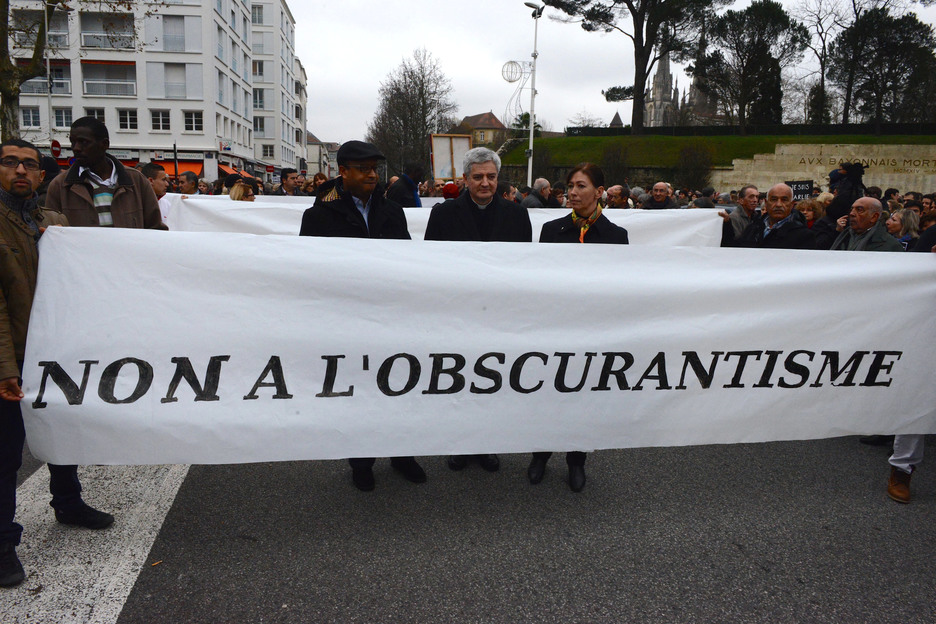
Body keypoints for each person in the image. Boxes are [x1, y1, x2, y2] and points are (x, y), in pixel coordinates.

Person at [0, 138, 113, 588]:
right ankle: (4, 543)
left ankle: (68, 502)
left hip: (54, 354)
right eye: (10, 163)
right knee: (6, 454)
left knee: (62, 432)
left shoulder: (55, 223)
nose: (20, 171)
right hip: (13, 356)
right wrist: (6, 367)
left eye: (29, 164)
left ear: (42, 176)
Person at [298, 141, 425, 491]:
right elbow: (311, 274)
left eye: (375, 168)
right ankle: (362, 460)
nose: (372, 174)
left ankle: (402, 454)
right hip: (349, 320)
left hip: (392, 316)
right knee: (362, 392)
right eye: (364, 169)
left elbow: (408, 263)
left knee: (400, 386)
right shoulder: (319, 215)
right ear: (343, 171)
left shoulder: (392, 211)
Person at [424, 147, 532, 473]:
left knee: (492, 383)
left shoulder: (517, 215)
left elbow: (525, 267)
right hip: (456, 313)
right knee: (458, 381)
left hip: (499, 315)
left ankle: (487, 443)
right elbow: (430, 265)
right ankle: (459, 442)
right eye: (478, 177)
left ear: (498, 179)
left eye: (491, 177)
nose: (485, 183)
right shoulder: (443, 214)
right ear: (466, 179)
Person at [529, 163, 628, 493]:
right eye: (570, 185)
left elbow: (618, 290)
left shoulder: (616, 237)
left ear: (599, 192)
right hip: (554, 328)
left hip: (592, 332)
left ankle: (576, 460)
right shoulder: (551, 231)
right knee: (549, 394)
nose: (572, 191)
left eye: (581, 186)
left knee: (582, 398)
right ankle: (540, 454)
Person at [45, 117, 165, 229]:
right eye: (73, 142)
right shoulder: (60, 186)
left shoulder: (136, 180)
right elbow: (52, 233)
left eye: (84, 142)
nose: (76, 148)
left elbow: (155, 229)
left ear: (105, 144)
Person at [723, 184, 816, 249]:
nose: (778, 204)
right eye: (774, 199)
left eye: (784, 200)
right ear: (766, 203)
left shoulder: (804, 236)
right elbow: (735, 250)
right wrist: (727, 225)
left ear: (792, 204)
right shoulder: (753, 227)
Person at [830, 197, 903, 252]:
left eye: (859, 210)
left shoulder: (890, 246)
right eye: (852, 209)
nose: (852, 213)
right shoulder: (844, 236)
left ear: (874, 217)